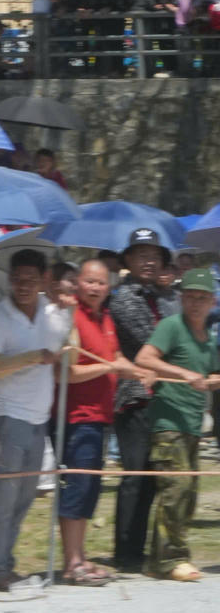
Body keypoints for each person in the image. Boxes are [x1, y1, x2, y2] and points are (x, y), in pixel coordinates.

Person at [0, 248, 68, 590]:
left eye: (30, 279)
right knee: (5, 497)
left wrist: (70, 312)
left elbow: (68, 350)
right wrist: (31, 357)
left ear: (44, 279)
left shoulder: (54, 314)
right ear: (10, 280)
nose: (23, 286)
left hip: (39, 417)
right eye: (17, 279)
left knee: (26, 497)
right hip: (6, 415)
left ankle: (5, 564)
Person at [58, 259, 144, 586]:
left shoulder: (105, 317)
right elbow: (67, 372)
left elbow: (115, 356)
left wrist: (137, 371)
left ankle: (80, 556)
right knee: (77, 486)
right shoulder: (71, 317)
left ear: (109, 287)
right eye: (89, 281)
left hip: (100, 415)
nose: (95, 288)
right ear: (78, 282)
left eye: (101, 283)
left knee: (90, 489)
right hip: (77, 416)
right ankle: (71, 563)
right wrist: (109, 367)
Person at [133, 267, 220, 581]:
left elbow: (213, 373)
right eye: (190, 297)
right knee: (175, 489)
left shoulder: (208, 339)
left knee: (188, 493)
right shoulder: (171, 326)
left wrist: (212, 380)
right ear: (182, 299)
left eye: (202, 298)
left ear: (212, 302)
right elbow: (144, 359)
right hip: (169, 421)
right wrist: (183, 374)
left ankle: (168, 556)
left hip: (193, 423)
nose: (196, 303)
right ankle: (168, 560)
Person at [109, 228, 179, 571]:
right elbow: (153, 340)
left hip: (164, 397)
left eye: (155, 256)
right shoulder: (124, 297)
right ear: (128, 260)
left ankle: (143, 550)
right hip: (135, 396)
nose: (149, 262)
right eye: (142, 255)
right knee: (134, 475)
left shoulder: (165, 296)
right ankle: (125, 551)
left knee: (154, 477)